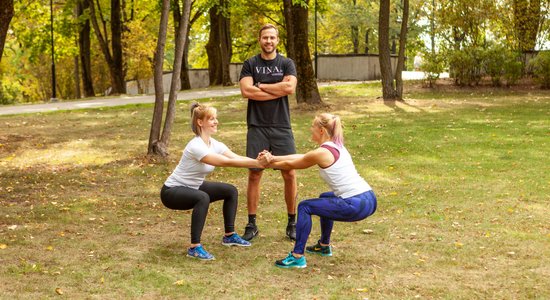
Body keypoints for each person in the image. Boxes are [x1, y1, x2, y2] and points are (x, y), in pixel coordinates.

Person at [258, 113, 377, 268]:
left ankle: (297, 256)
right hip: (369, 198)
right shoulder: (336, 146)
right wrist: (273, 157)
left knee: (305, 206)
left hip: (355, 204)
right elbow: (302, 156)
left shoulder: (321, 152)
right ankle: (323, 245)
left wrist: (267, 163)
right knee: (324, 197)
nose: (310, 129)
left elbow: (292, 164)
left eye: (313, 126)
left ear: (321, 130)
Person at [160, 103, 267, 260]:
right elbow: (224, 162)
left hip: (193, 186)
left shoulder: (214, 144)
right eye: (211, 119)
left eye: (216, 118)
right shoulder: (195, 145)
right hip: (172, 191)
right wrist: (257, 164)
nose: (216, 121)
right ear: (200, 122)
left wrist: (260, 161)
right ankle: (194, 247)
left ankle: (229, 235)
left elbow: (235, 157)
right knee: (202, 197)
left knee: (230, 190)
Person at [239, 23, 298, 241]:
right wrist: (277, 88)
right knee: (255, 173)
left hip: (282, 126)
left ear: (278, 40)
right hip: (257, 126)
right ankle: (251, 224)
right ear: (260, 40)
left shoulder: (286, 63)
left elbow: (290, 88)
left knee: (289, 172)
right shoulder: (250, 63)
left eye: (272, 38)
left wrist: (261, 86)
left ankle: (292, 222)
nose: (269, 41)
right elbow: (246, 91)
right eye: (265, 38)